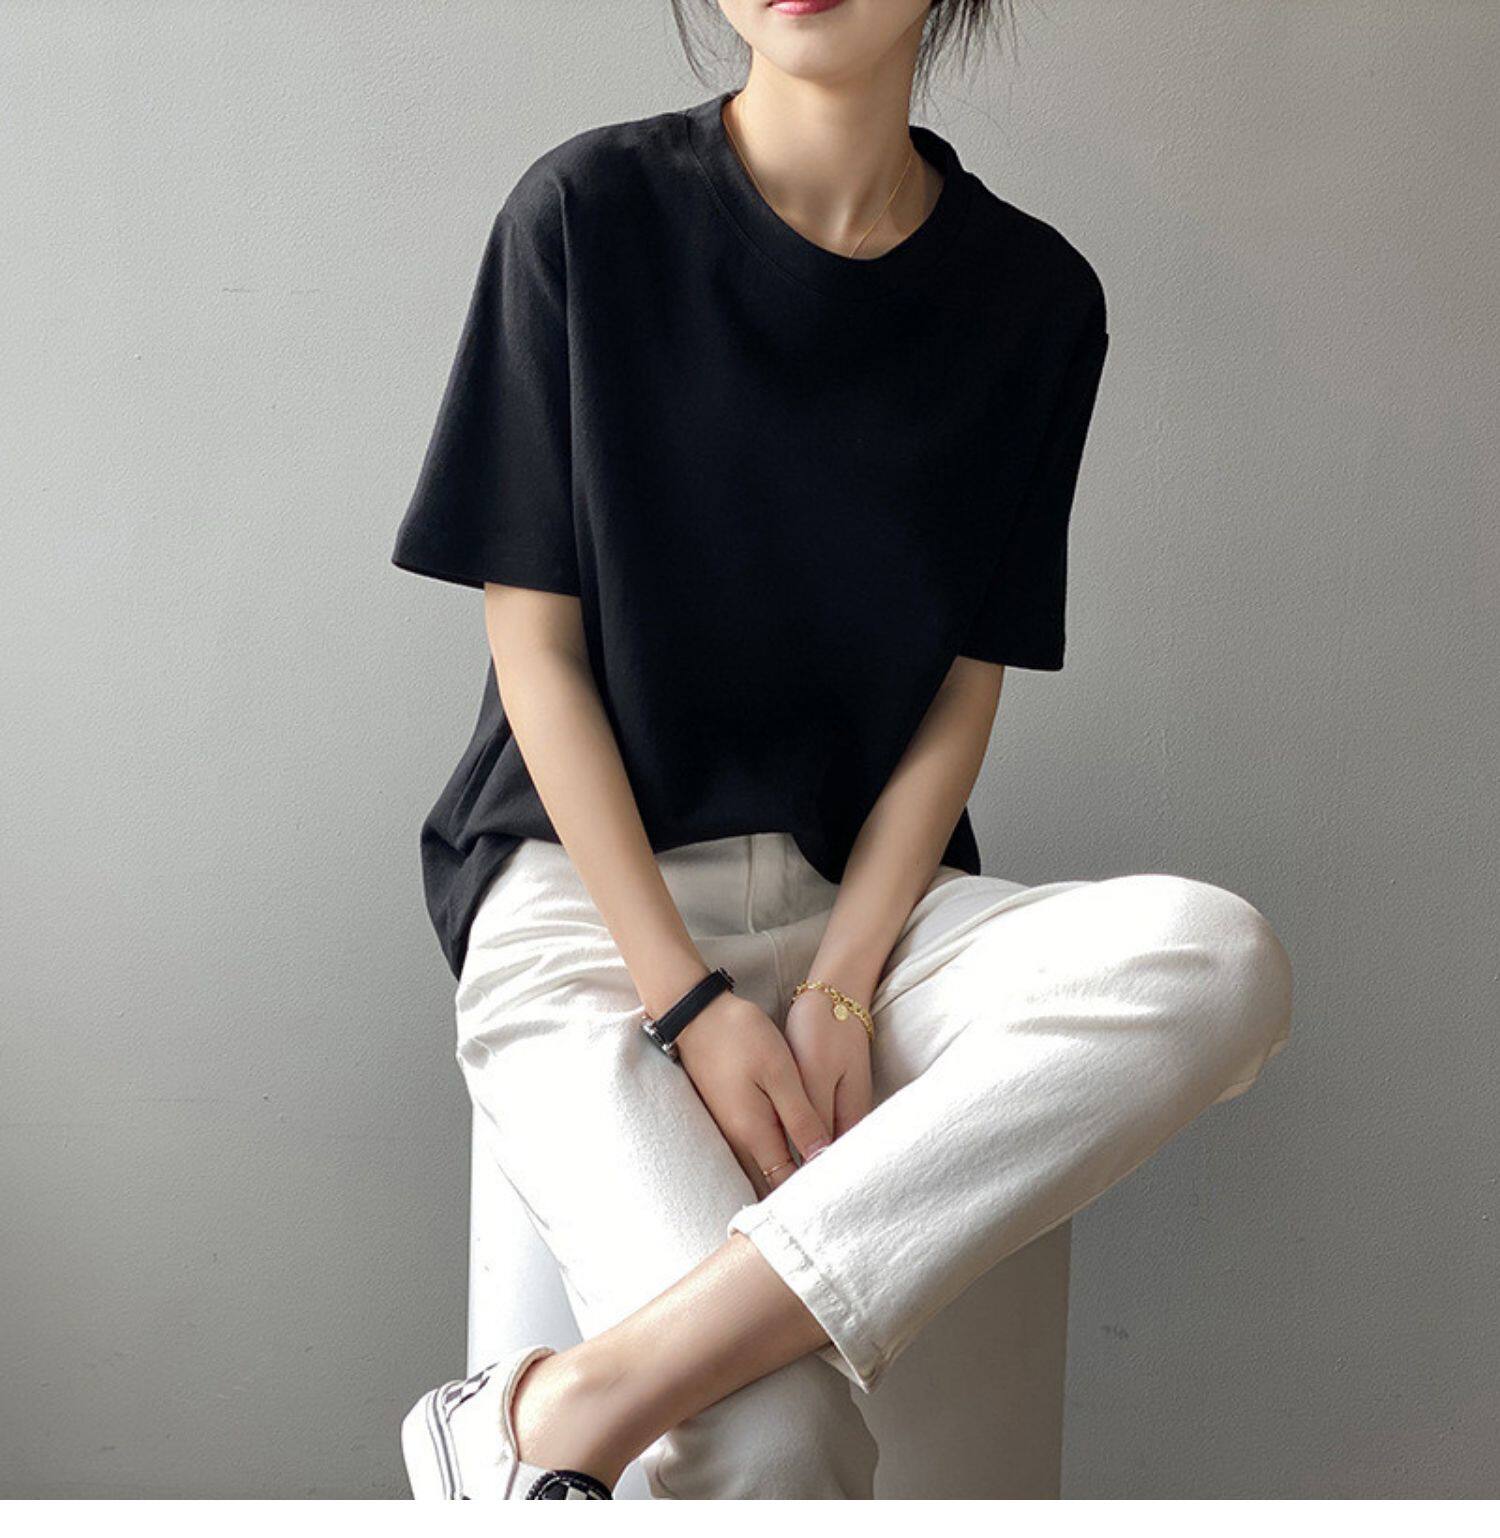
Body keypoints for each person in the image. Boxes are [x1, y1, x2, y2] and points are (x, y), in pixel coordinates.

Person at [389, 0, 1293, 1502]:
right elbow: (534, 654)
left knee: (1218, 960)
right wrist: (688, 999)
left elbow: (961, 689)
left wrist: (840, 982)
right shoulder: (586, 216)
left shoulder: (1035, 299)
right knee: (777, 1439)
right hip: (588, 912)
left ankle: (557, 1411)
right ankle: (627, 1390)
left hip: (875, 915)